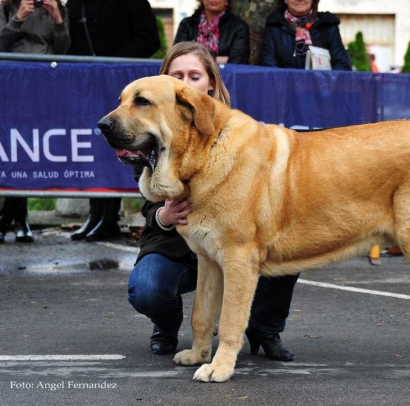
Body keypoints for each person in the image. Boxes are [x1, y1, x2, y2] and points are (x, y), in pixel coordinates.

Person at [126, 42, 298, 362]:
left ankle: (264, 328)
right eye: (177, 75)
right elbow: (147, 201)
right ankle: (166, 325)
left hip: (230, 236)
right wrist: (163, 215)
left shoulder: (238, 129)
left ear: (211, 83)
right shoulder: (147, 130)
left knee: (283, 244)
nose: (186, 83)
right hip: (174, 244)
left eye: (194, 75)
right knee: (146, 287)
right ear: (163, 81)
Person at [65, 0, 160, 242]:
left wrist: (110, 63)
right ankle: (95, 214)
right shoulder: (74, 4)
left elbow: (150, 39)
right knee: (94, 150)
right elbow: (69, 44)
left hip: (122, 87)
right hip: (86, 87)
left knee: (120, 147)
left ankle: (109, 217)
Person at [0, 0, 70, 244]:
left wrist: (57, 17)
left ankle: (8, 220)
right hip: (12, 87)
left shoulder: (58, 8)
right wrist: (19, 18)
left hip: (44, 87)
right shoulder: (3, 9)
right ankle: (17, 221)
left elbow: (64, 50)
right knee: (15, 150)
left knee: (29, 151)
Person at [259, 0, 352, 70]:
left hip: (321, 91)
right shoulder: (274, 26)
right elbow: (268, 66)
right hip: (285, 91)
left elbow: (342, 65)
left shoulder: (327, 25)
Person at [173, 0, 249, 64]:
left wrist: (195, 58)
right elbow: (177, 58)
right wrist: (217, 59)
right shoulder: (187, 24)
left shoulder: (239, 27)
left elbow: (237, 64)